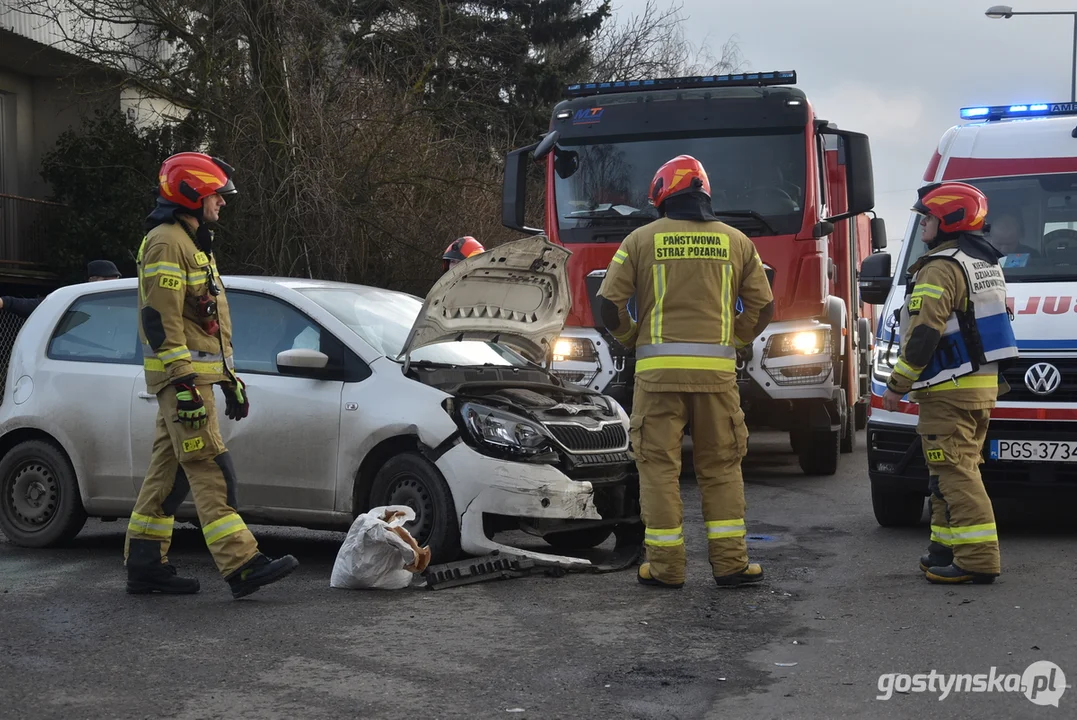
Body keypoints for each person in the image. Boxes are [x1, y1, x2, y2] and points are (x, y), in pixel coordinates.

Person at [124, 151, 299, 599]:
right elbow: (159, 321)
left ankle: (144, 563)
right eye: (217, 195)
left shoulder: (190, 241)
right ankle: (241, 564)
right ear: (193, 193)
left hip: (192, 381)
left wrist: (229, 380)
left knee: (169, 473)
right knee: (209, 467)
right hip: (183, 383)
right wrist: (184, 380)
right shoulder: (167, 242)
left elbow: (203, 324)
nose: (222, 203)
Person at [596, 154, 775, 589]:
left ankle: (665, 568)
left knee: (658, 468)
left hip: (657, 378)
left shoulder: (640, 240)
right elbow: (764, 306)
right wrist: (734, 339)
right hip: (716, 380)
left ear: (662, 194)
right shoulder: (737, 242)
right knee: (722, 467)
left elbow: (606, 305)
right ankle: (732, 565)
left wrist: (633, 336)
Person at [881, 181, 1018, 585]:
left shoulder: (941, 266)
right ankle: (944, 548)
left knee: (955, 472)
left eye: (927, 216)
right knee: (945, 471)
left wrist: (897, 384)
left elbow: (925, 333)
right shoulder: (984, 262)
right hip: (979, 386)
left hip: (948, 387)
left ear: (947, 220)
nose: (922, 223)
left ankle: (977, 558)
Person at [0, 259, 122, 318]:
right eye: (105, 280)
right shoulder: (79, 301)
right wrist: (5, 302)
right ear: (91, 281)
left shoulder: (128, 301)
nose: (111, 286)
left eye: (114, 281)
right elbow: (39, 306)